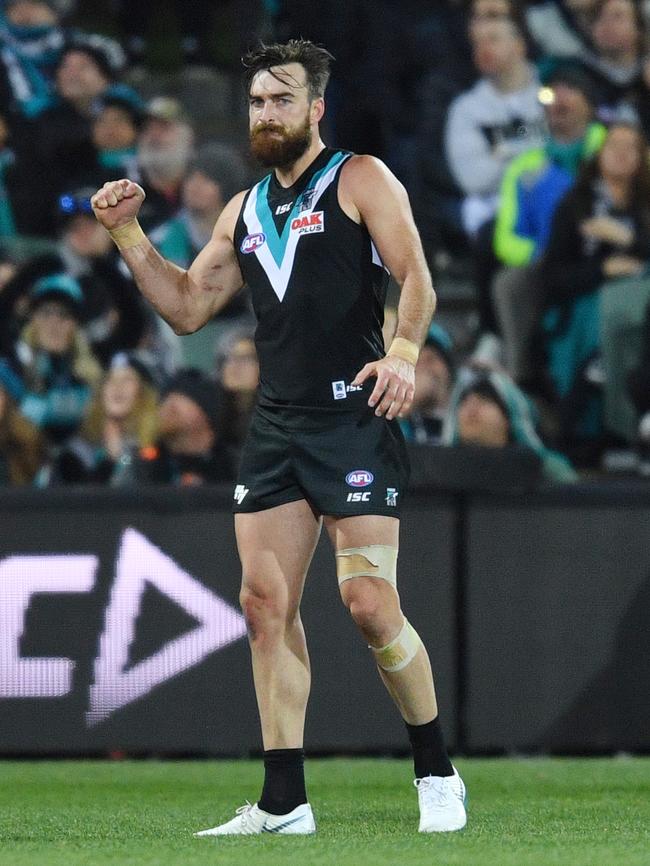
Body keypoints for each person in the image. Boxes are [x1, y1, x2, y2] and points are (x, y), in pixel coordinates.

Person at [91, 38, 466, 835]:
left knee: (367, 604)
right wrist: (127, 235)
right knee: (264, 607)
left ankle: (436, 770)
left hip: (356, 416)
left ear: (315, 108)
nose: (267, 114)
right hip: (279, 425)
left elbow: (419, 280)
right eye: (258, 102)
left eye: (282, 99)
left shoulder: (361, 177)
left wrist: (402, 355)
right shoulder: (244, 208)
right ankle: (283, 802)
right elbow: (190, 306)